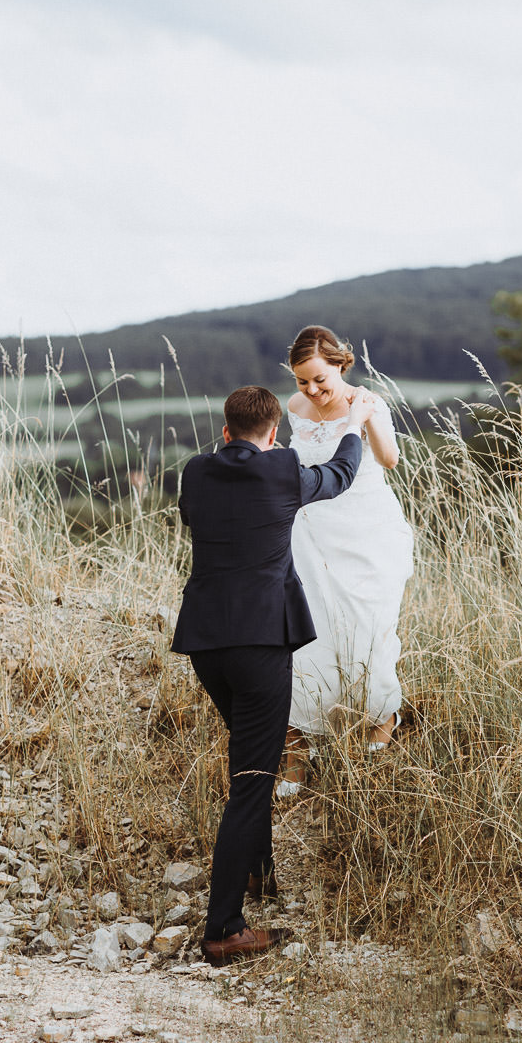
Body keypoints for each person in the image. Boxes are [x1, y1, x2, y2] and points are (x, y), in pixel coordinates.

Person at [171, 382, 376, 965]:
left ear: (226, 430)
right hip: (261, 643)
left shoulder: (195, 473)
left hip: (208, 644)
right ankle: (223, 930)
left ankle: (259, 875)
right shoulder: (282, 469)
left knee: (247, 755)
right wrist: (354, 425)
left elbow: (197, 516)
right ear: (272, 435)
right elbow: (338, 475)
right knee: (253, 777)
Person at [282, 325, 414, 791]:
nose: (312, 391)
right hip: (310, 534)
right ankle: (303, 741)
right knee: (306, 635)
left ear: (340, 364)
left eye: (320, 379)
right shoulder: (296, 409)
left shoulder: (369, 402)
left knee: (367, 627)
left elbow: (390, 460)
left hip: (363, 532)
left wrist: (360, 420)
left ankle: (381, 722)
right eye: (302, 381)